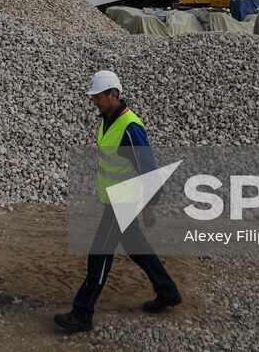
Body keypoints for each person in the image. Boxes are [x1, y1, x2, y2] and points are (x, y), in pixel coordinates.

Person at [55, 70, 181, 333]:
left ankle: (82, 313)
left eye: (98, 97)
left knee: (99, 254)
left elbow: (149, 169)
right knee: (136, 246)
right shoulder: (107, 120)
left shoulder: (130, 128)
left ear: (113, 94)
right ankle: (168, 292)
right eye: (93, 98)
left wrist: (149, 205)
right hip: (114, 198)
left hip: (123, 202)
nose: (94, 102)